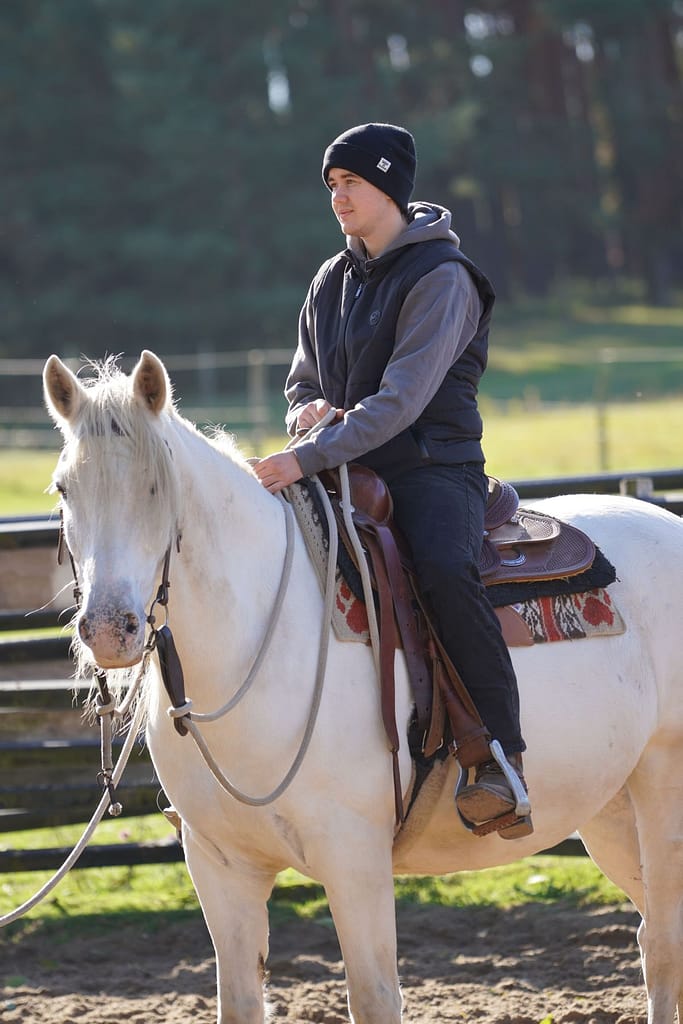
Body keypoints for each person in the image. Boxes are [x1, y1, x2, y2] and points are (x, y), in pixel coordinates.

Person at [253, 122, 532, 839]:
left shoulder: (443, 278)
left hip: (432, 467)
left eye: (352, 183)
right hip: (346, 463)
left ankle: (498, 755)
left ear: (391, 189)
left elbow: (400, 402)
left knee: (442, 566)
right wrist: (304, 411)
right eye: (332, 185)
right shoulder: (329, 279)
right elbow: (301, 380)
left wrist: (304, 456)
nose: (338, 197)